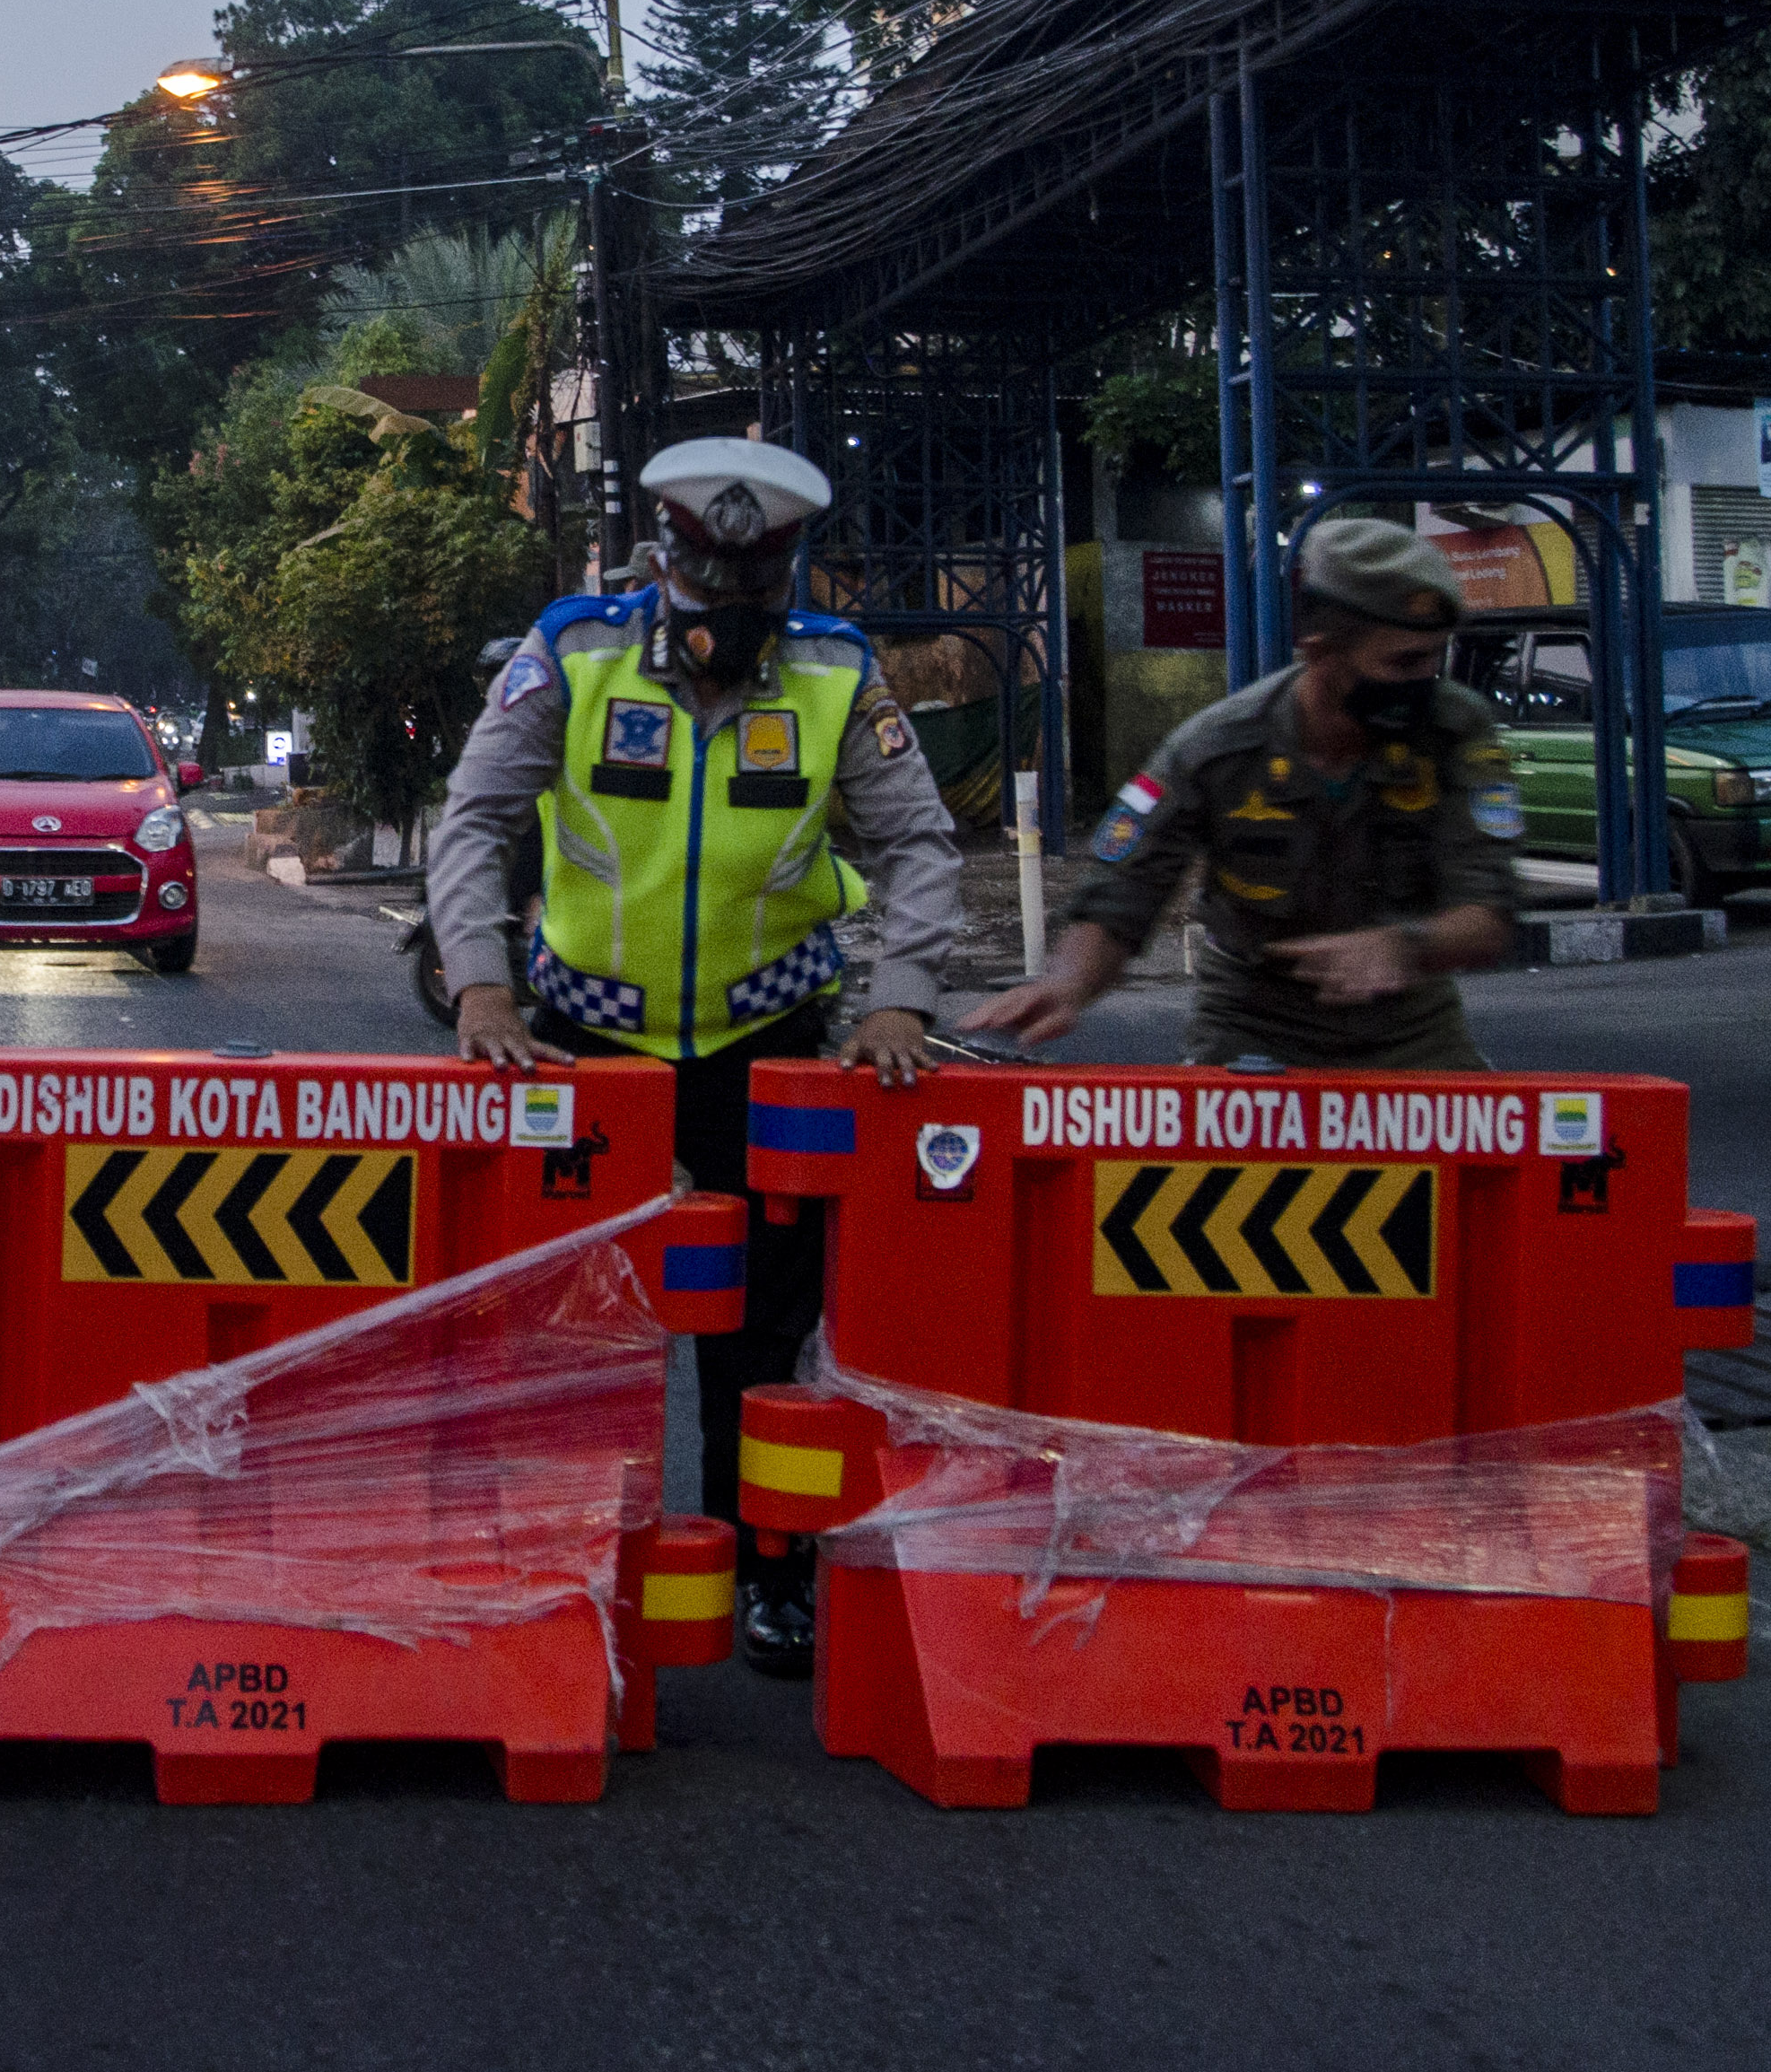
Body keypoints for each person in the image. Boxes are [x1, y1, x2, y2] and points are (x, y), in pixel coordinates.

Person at [426, 437, 963, 1676]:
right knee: (570, 1326)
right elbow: (477, 819)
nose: (728, 611)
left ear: (787, 574)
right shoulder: (574, 650)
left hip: (764, 1046)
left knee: (764, 1336)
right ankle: (560, 1564)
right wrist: (480, 984)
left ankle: (769, 1570)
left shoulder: (836, 671)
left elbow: (919, 844)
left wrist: (901, 999)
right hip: (581, 1051)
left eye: (754, 585)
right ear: (663, 558)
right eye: (706, 581)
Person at [967, 518, 1519, 1067]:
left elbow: (1488, 913)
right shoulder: (1218, 748)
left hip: (1413, 1032)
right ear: (1320, 652)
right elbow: (1124, 891)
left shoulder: (1456, 731)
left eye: (1435, 656)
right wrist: (1066, 984)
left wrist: (1401, 947)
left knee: (1503, 1125)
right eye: (1405, 662)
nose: (1428, 679)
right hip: (1253, 1028)